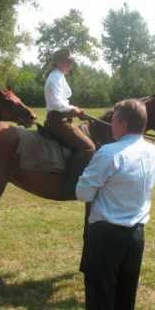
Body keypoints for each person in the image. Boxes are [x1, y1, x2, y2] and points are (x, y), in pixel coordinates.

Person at [76, 99, 155, 310]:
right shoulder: (154, 153)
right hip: (135, 238)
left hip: (104, 237)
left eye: (114, 120)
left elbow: (83, 193)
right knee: (125, 299)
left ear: (124, 124)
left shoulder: (107, 154)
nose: (111, 124)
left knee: (100, 299)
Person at [44, 49, 96, 199]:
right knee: (89, 147)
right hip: (58, 121)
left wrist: (74, 110)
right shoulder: (54, 78)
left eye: (71, 62)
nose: (70, 65)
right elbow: (57, 104)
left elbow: (63, 101)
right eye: (68, 62)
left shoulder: (59, 76)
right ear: (60, 62)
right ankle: (70, 186)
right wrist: (74, 110)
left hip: (63, 118)